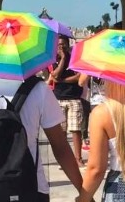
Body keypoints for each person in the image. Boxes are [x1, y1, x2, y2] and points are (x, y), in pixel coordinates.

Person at [48, 35, 87, 165]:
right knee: (61, 131)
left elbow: (78, 77)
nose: (61, 47)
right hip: (59, 98)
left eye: (63, 44)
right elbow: (54, 76)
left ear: (68, 44)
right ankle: (64, 159)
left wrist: (62, 80)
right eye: (59, 45)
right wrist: (63, 59)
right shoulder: (54, 60)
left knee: (76, 129)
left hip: (74, 98)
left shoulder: (75, 59)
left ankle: (78, 158)